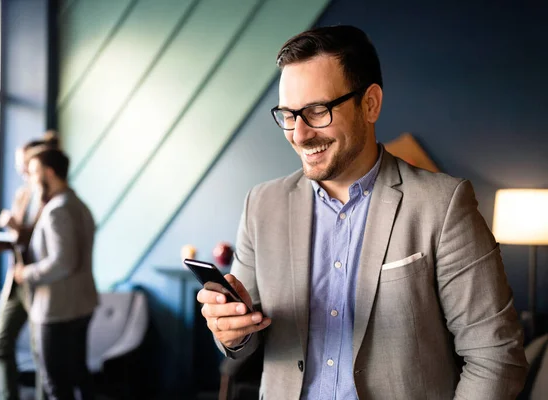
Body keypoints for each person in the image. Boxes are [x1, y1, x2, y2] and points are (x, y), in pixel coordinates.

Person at [198, 25, 528, 399]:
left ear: (370, 104)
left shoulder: (443, 204)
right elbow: (245, 338)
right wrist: (231, 332)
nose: (300, 133)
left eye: (317, 111)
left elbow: (496, 356)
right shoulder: (261, 205)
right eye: (289, 114)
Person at [13, 148, 98, 400]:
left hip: (58, 308)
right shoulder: (79, 204)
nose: (30, 176)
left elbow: (63, 262)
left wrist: (26, 273)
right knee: (78, 376)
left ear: (49, 172)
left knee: (56, 383)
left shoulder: (56, 210)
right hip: (82, 304)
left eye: (35, 171)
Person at [0, 131, 60, 400]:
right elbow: (19, 240)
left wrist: (18, 226)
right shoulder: (23, 194)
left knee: (41, 352)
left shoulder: (52, 196)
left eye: (25, 165)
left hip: (40, 283)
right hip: (17, 281)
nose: (21, 171)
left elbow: (45, 243)